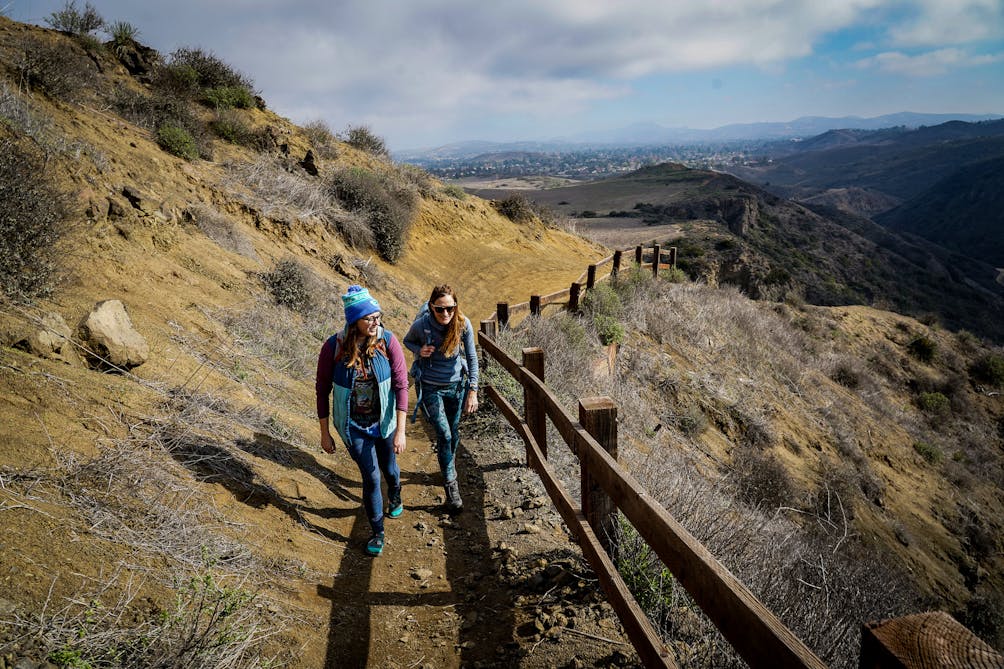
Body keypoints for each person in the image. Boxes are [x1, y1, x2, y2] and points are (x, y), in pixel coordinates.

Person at [316, 285, 408, 556]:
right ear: (355, 319)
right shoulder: (333, 347)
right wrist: (324, 433)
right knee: (370, 476)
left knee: (389, 469)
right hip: (353, 427)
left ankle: (396, 491)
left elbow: (402, 386)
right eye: (370, 318)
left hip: (384, 423)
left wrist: (400, 431)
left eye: (378, 317)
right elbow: (322, 389)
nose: (376, 323)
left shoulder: (388, 342)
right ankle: (377, 532)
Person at [403, 284, 480, 512]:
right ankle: (451, 486)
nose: (445, 314)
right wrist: (420, 350)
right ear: (431, 307)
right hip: (430, 388)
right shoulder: (422, 325)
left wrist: (473, 391)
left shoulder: (463, 325)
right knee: (444, 434)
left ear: (456, 307)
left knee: (453, 432)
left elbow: (473, 358)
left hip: (456, 387)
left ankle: (448, 467)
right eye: (440, 309)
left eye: (450, 308)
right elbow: (408, 340)